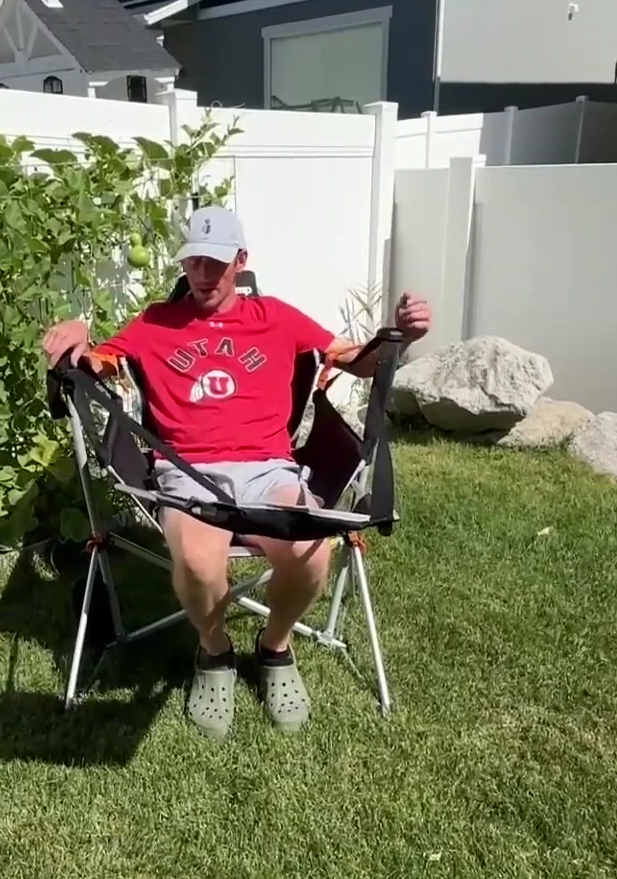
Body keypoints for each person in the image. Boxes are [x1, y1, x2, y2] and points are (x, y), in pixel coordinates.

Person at [41, 205, 431, 739]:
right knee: (201, 565)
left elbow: (356, 359)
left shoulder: (277, 317)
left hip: (267, 469)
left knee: (311, 554)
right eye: (192, 262)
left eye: (214, 262)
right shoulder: (156, 321)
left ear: (241, 260)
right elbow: (97, 363)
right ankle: (215, 649)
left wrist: (398, 338)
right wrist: (80, 331)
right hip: (188, 474)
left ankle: (274, 647)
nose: (200, 274)